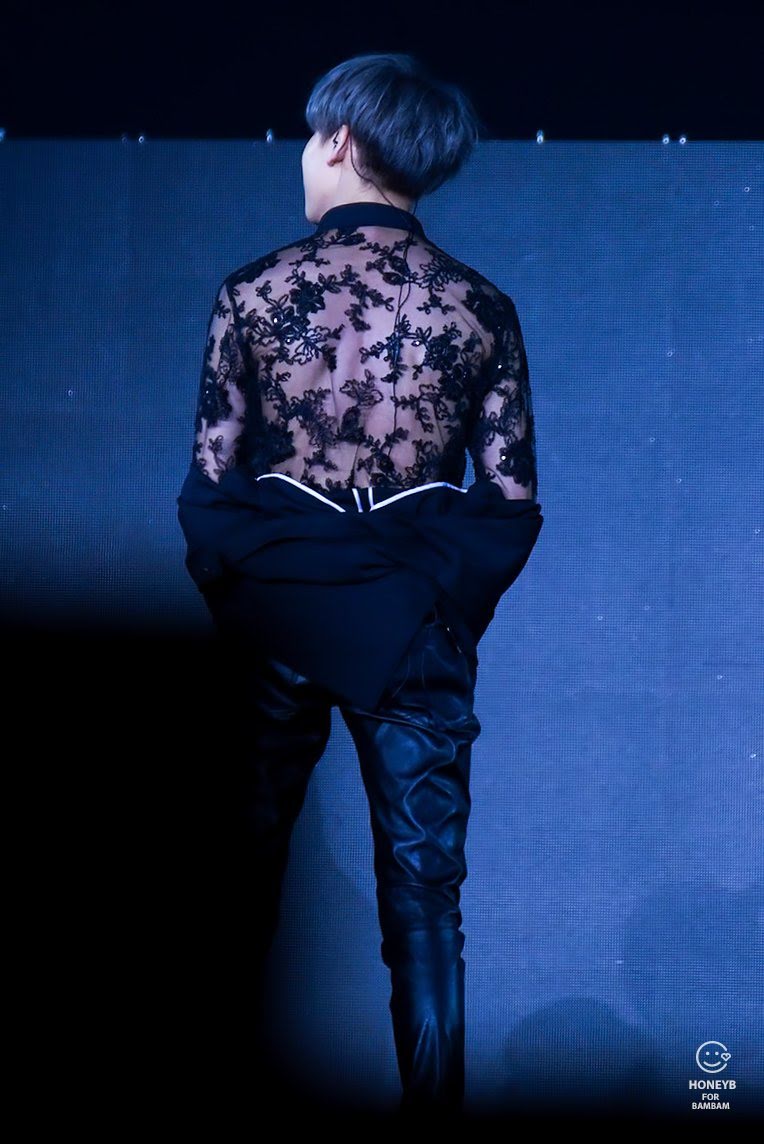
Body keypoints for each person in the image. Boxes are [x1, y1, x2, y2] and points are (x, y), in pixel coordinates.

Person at [176, 51, 543, 1119]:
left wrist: (269, 583)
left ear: (338, 140)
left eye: (309, 135)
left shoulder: (252, 292)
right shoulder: (480, 308)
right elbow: (511, 501)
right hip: (412, 627)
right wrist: (421, 589)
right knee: (425, 902)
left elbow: (209, 491)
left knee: (238, 884)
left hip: (276, 618)